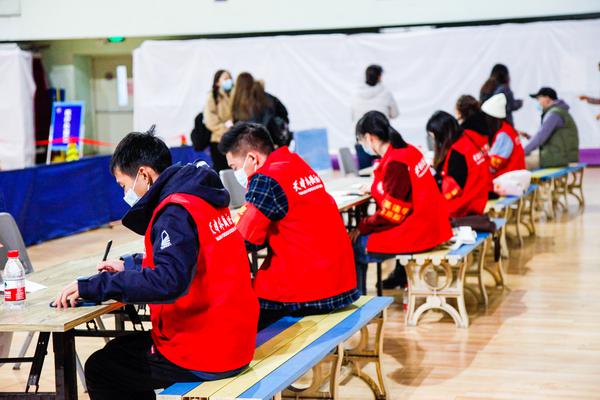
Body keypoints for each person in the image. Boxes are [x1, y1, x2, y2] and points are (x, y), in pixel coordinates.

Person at [54, 128, 259, 400]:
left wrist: (95, 286)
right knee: (120, 351)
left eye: (124, 185)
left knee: (101, 369)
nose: (125, 193)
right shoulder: (201, 198)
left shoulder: (174, 211)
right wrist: (130, 266)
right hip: (235, 339)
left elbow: (168, 282)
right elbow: (188, 257)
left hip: (207, 352)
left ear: (144, 174)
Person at [219, 122, 359, 330]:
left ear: (252, 158)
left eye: (234, 168)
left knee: (242, 310)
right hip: (342, 280)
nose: (236, 173)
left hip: (311, 288)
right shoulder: (295, 163)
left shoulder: (266, 178)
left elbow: (245, 239)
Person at [350, 111, 453, 293]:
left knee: (355, 246)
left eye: (362, 141)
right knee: (360, 238)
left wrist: (362, 227)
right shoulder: (407, 150)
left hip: (418, 231)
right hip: (432, 225)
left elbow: (392, 215)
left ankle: (359, 302)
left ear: (370, 138)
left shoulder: (396, 163)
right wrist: (374, 188)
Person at [427, 111, 490, 218]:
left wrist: (435, 177)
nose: (434, 140)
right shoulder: (468, 138)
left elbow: (451, 189)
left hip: (466, 207)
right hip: (479, 197)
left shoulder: (457, 153)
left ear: (442, 134)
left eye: (434, 137)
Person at [351, 64, 399, 169]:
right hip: (381, 140)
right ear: (379, 77)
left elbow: (353, 116)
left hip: (362, 140)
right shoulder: (386, 93)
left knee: (364, 174)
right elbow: (395, 114)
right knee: (386, 172)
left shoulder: (355, 94)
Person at [524, 87, 579, 169]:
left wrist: (521, 152)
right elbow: (549, 137)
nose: (538, 102)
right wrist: (529, 137)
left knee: (519, 161)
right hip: (563, 155)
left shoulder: (554, 114)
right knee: (529, 155)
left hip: (558, 158)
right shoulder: (560, 111)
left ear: (547, 98)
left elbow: (540, 137)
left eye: (539, 99)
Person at [231, 72, 290, 147]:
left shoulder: (238, 103)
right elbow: (284, 112)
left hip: (251, 144)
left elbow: (237, 125)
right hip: (273, 141)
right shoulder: (267, 97)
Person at [480, 93, 526, 179]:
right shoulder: (506, 128)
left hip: (510, 180)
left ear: (491, 118)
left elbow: (493, 166)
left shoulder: (503, 135)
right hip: (515, 176)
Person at [204, 69, 234, 172]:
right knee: (223, 172)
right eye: (225, 78)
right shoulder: (212, 97)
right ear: (217, 82)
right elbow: (210, 120)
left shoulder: (234, 95)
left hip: (233, 141)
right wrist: (226, 130)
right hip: (218, 140)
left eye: (230, 78)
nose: (229, 80)